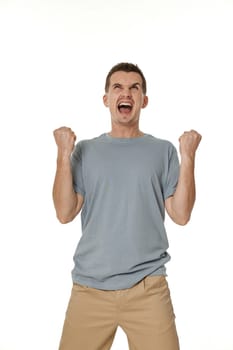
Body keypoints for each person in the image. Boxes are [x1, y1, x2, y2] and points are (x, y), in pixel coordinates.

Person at [53, 62, 201, 350]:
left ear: (144, 101)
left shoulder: (163, 151)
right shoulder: (85, 151)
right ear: (106, 99)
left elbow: (181, 215)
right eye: (118, 87)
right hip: (90, 289)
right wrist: (62, 155)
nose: (127, 93)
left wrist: (189, 158)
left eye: (135, 88)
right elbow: (64, 212)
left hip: (148, 288)